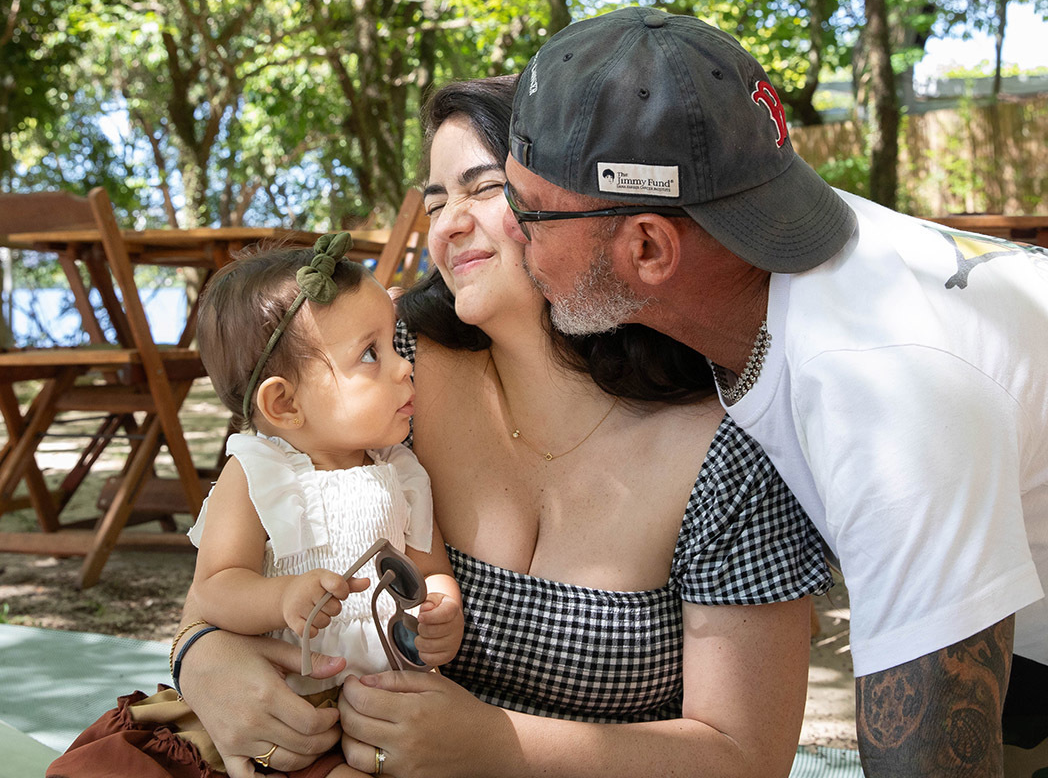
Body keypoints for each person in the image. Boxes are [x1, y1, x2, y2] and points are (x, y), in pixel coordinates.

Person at [170, 75, 830, 778]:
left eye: (484, 189)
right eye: (436, 199)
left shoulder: (729, 450)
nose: (448, 224)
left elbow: (748, 757)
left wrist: (498, 747)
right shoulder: (392, 374)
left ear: (589, 206)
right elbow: (230, 573)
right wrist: (201, 663)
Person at [502, 5, 1048, 776]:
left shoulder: (883, 397)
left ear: (649, 248)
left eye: (526, 212)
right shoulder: (758, 283)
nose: (506, 230)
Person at [173, 236, 463, 778]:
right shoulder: (258, 475)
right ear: (284, 403)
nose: (404, 369)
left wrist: (440, 611)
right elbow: (215, 587)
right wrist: (280, 596)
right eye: (372, 354)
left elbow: (428, 571)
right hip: (288, 707)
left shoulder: (400, 470)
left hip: (382, 709)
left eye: (396, 346)